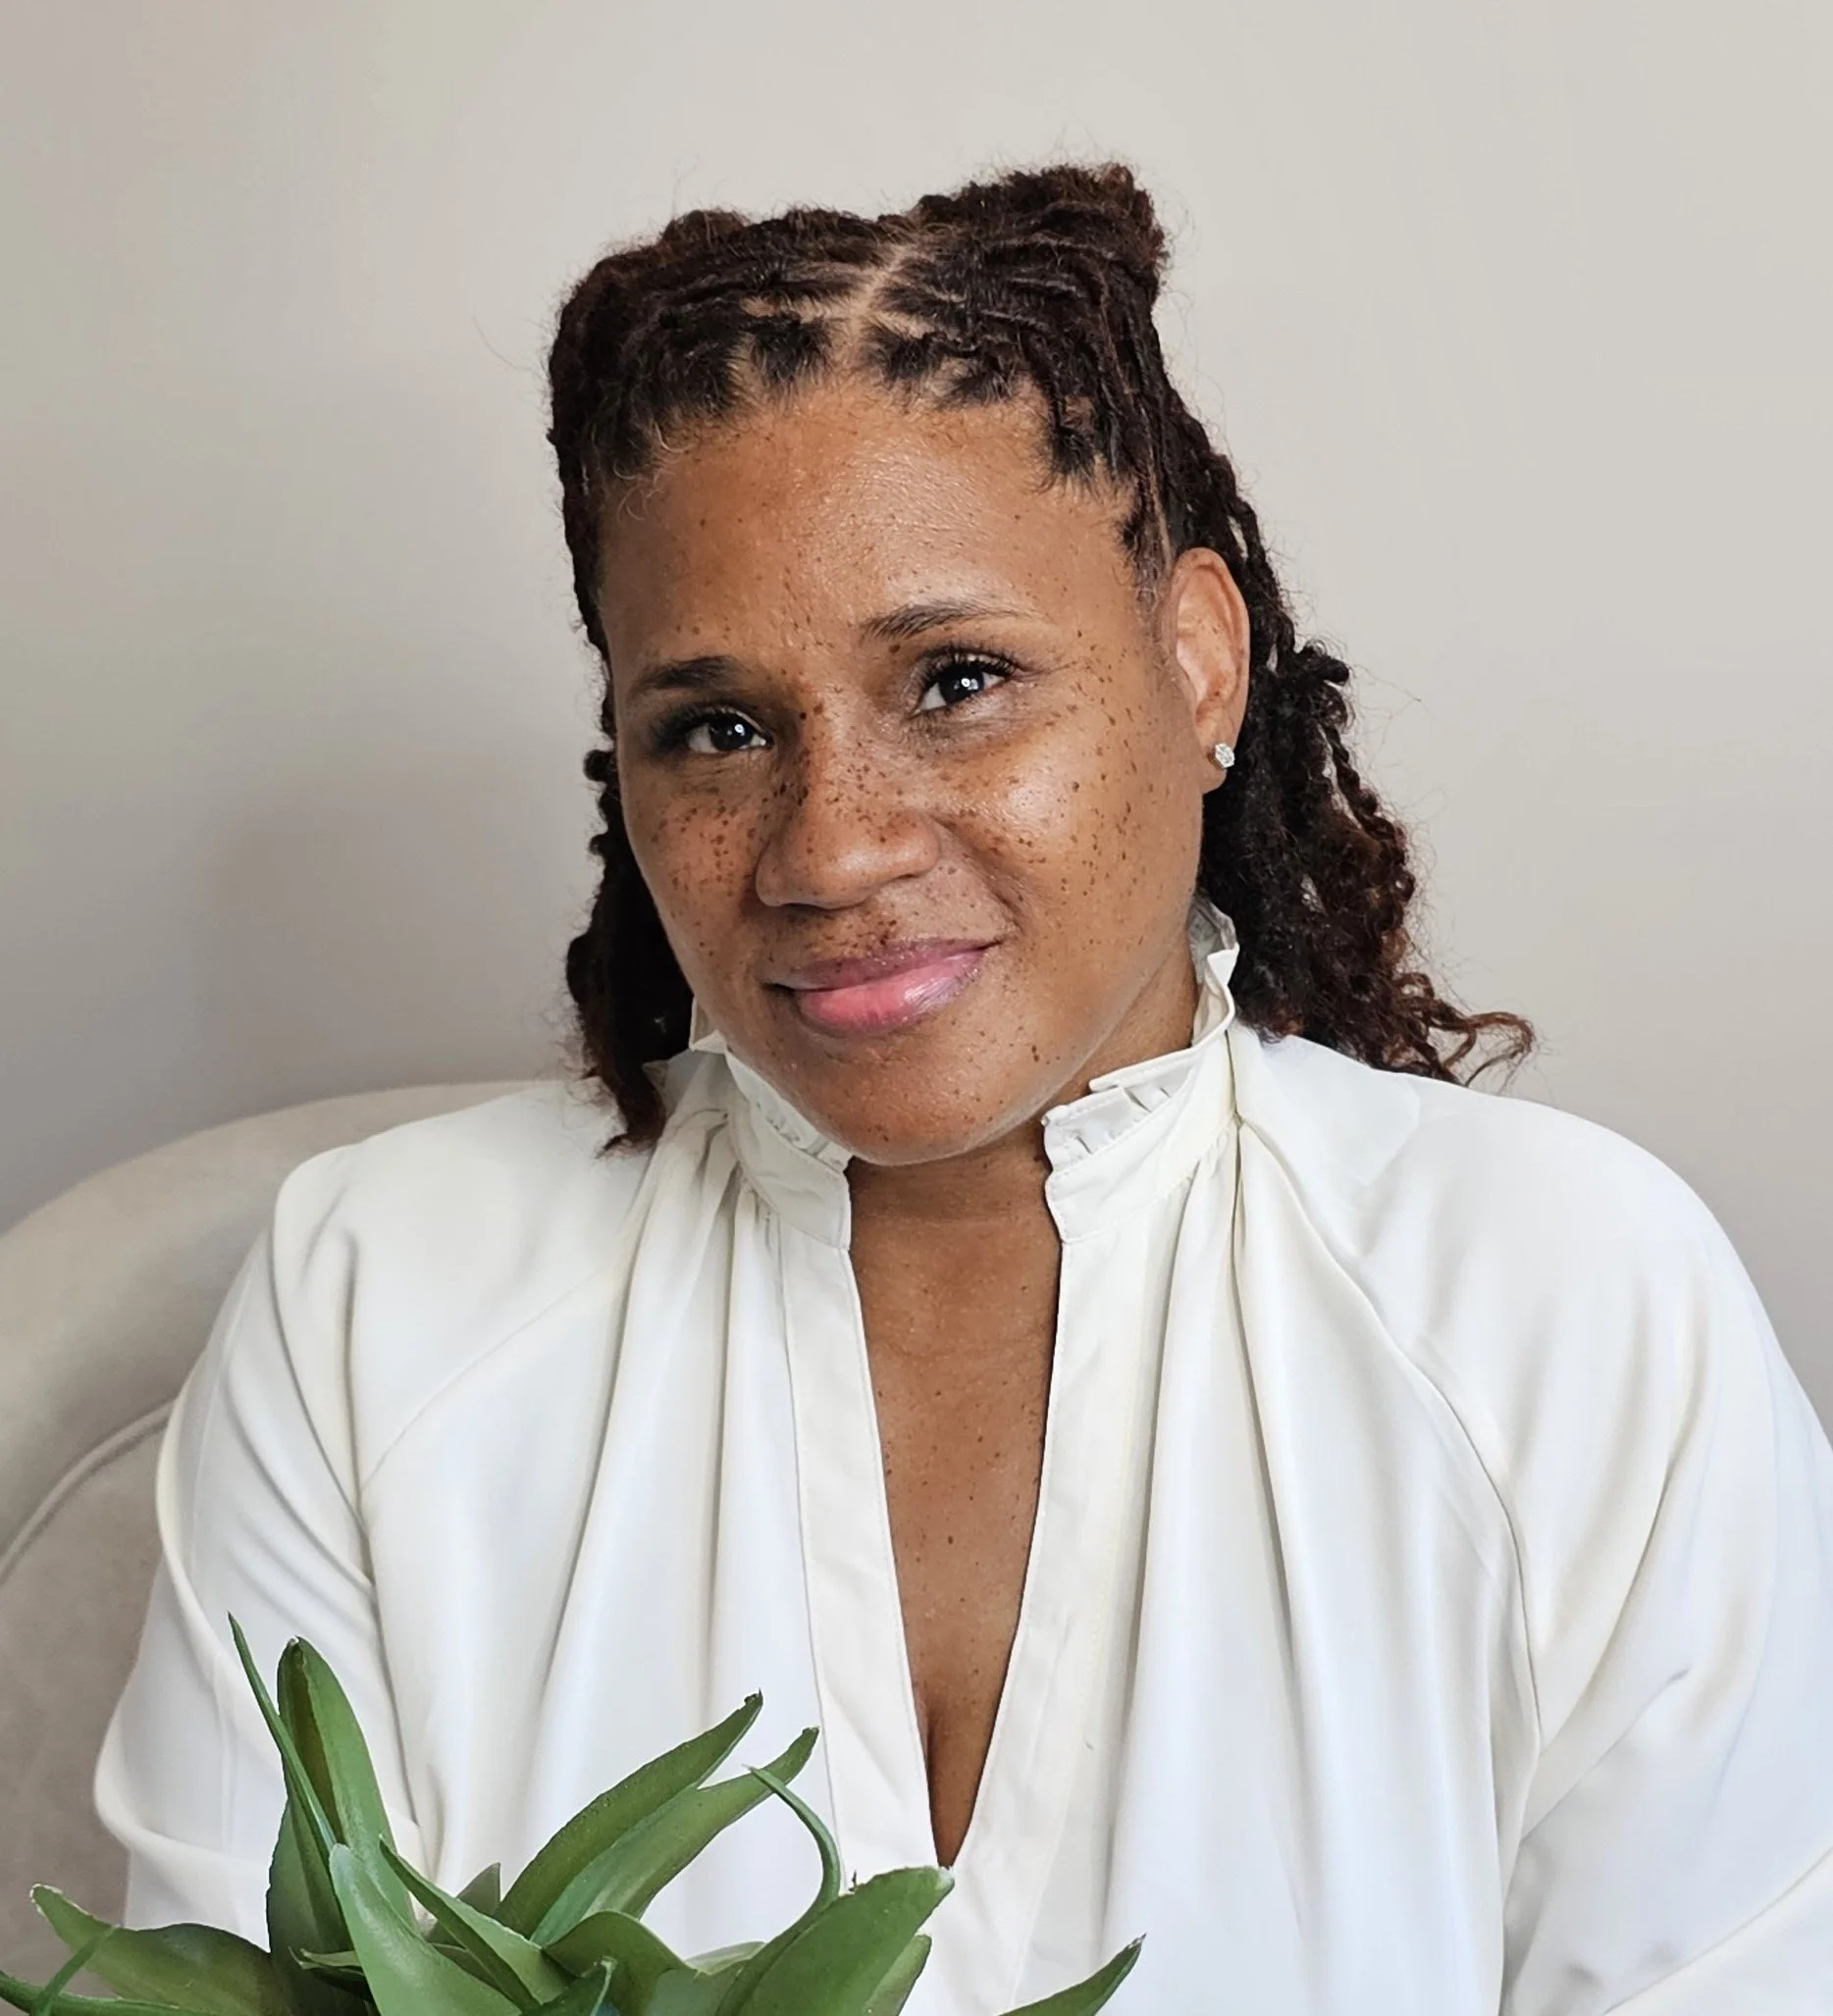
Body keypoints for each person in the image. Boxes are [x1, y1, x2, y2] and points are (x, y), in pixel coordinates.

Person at [97, 164, 1833, 2015]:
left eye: (957, 680)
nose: (831, 847)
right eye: (719, 727)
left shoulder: (1569, 1313)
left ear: (1199, 662)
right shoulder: (377, 1301)